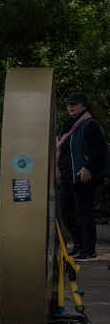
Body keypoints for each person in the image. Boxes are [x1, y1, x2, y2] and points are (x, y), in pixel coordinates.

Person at [58, 91, 107, 261]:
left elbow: (100, 150)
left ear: (84, 106)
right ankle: (79, 244)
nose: (70, 106)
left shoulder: (89, 124)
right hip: (66, 177)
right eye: (69, 104)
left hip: (82, 177)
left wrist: (88, 167)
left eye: (75, 104)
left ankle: (90, 251)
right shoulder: (70, 125)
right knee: (66, 213)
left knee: (84, 213)